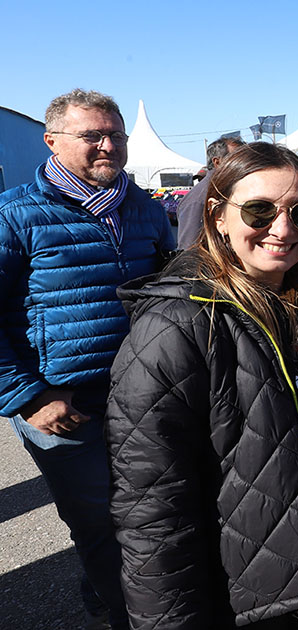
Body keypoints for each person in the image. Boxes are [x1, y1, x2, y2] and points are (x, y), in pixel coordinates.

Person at [105, 142, 298, 629]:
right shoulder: (173, 326)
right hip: (243, 579)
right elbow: (152, 506)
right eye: (260, 210)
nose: (283, 229)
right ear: (218, 216)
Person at [0, 89, 174, 630]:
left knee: (147, 516)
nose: (108, 146)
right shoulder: (16, 215)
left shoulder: (145, 209)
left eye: (116, 135)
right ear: (51, 141)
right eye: (92, 136)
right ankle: (126, 617)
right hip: (63, 405)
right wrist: (27, 397)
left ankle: (106, 597)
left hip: (142, 395)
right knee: (100, 523)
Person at [177, 136, 243, 248]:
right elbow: (189, 249)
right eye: (237, 159)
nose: (244, 164)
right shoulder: (198, 200)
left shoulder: (232, 189)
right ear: (217, 162)